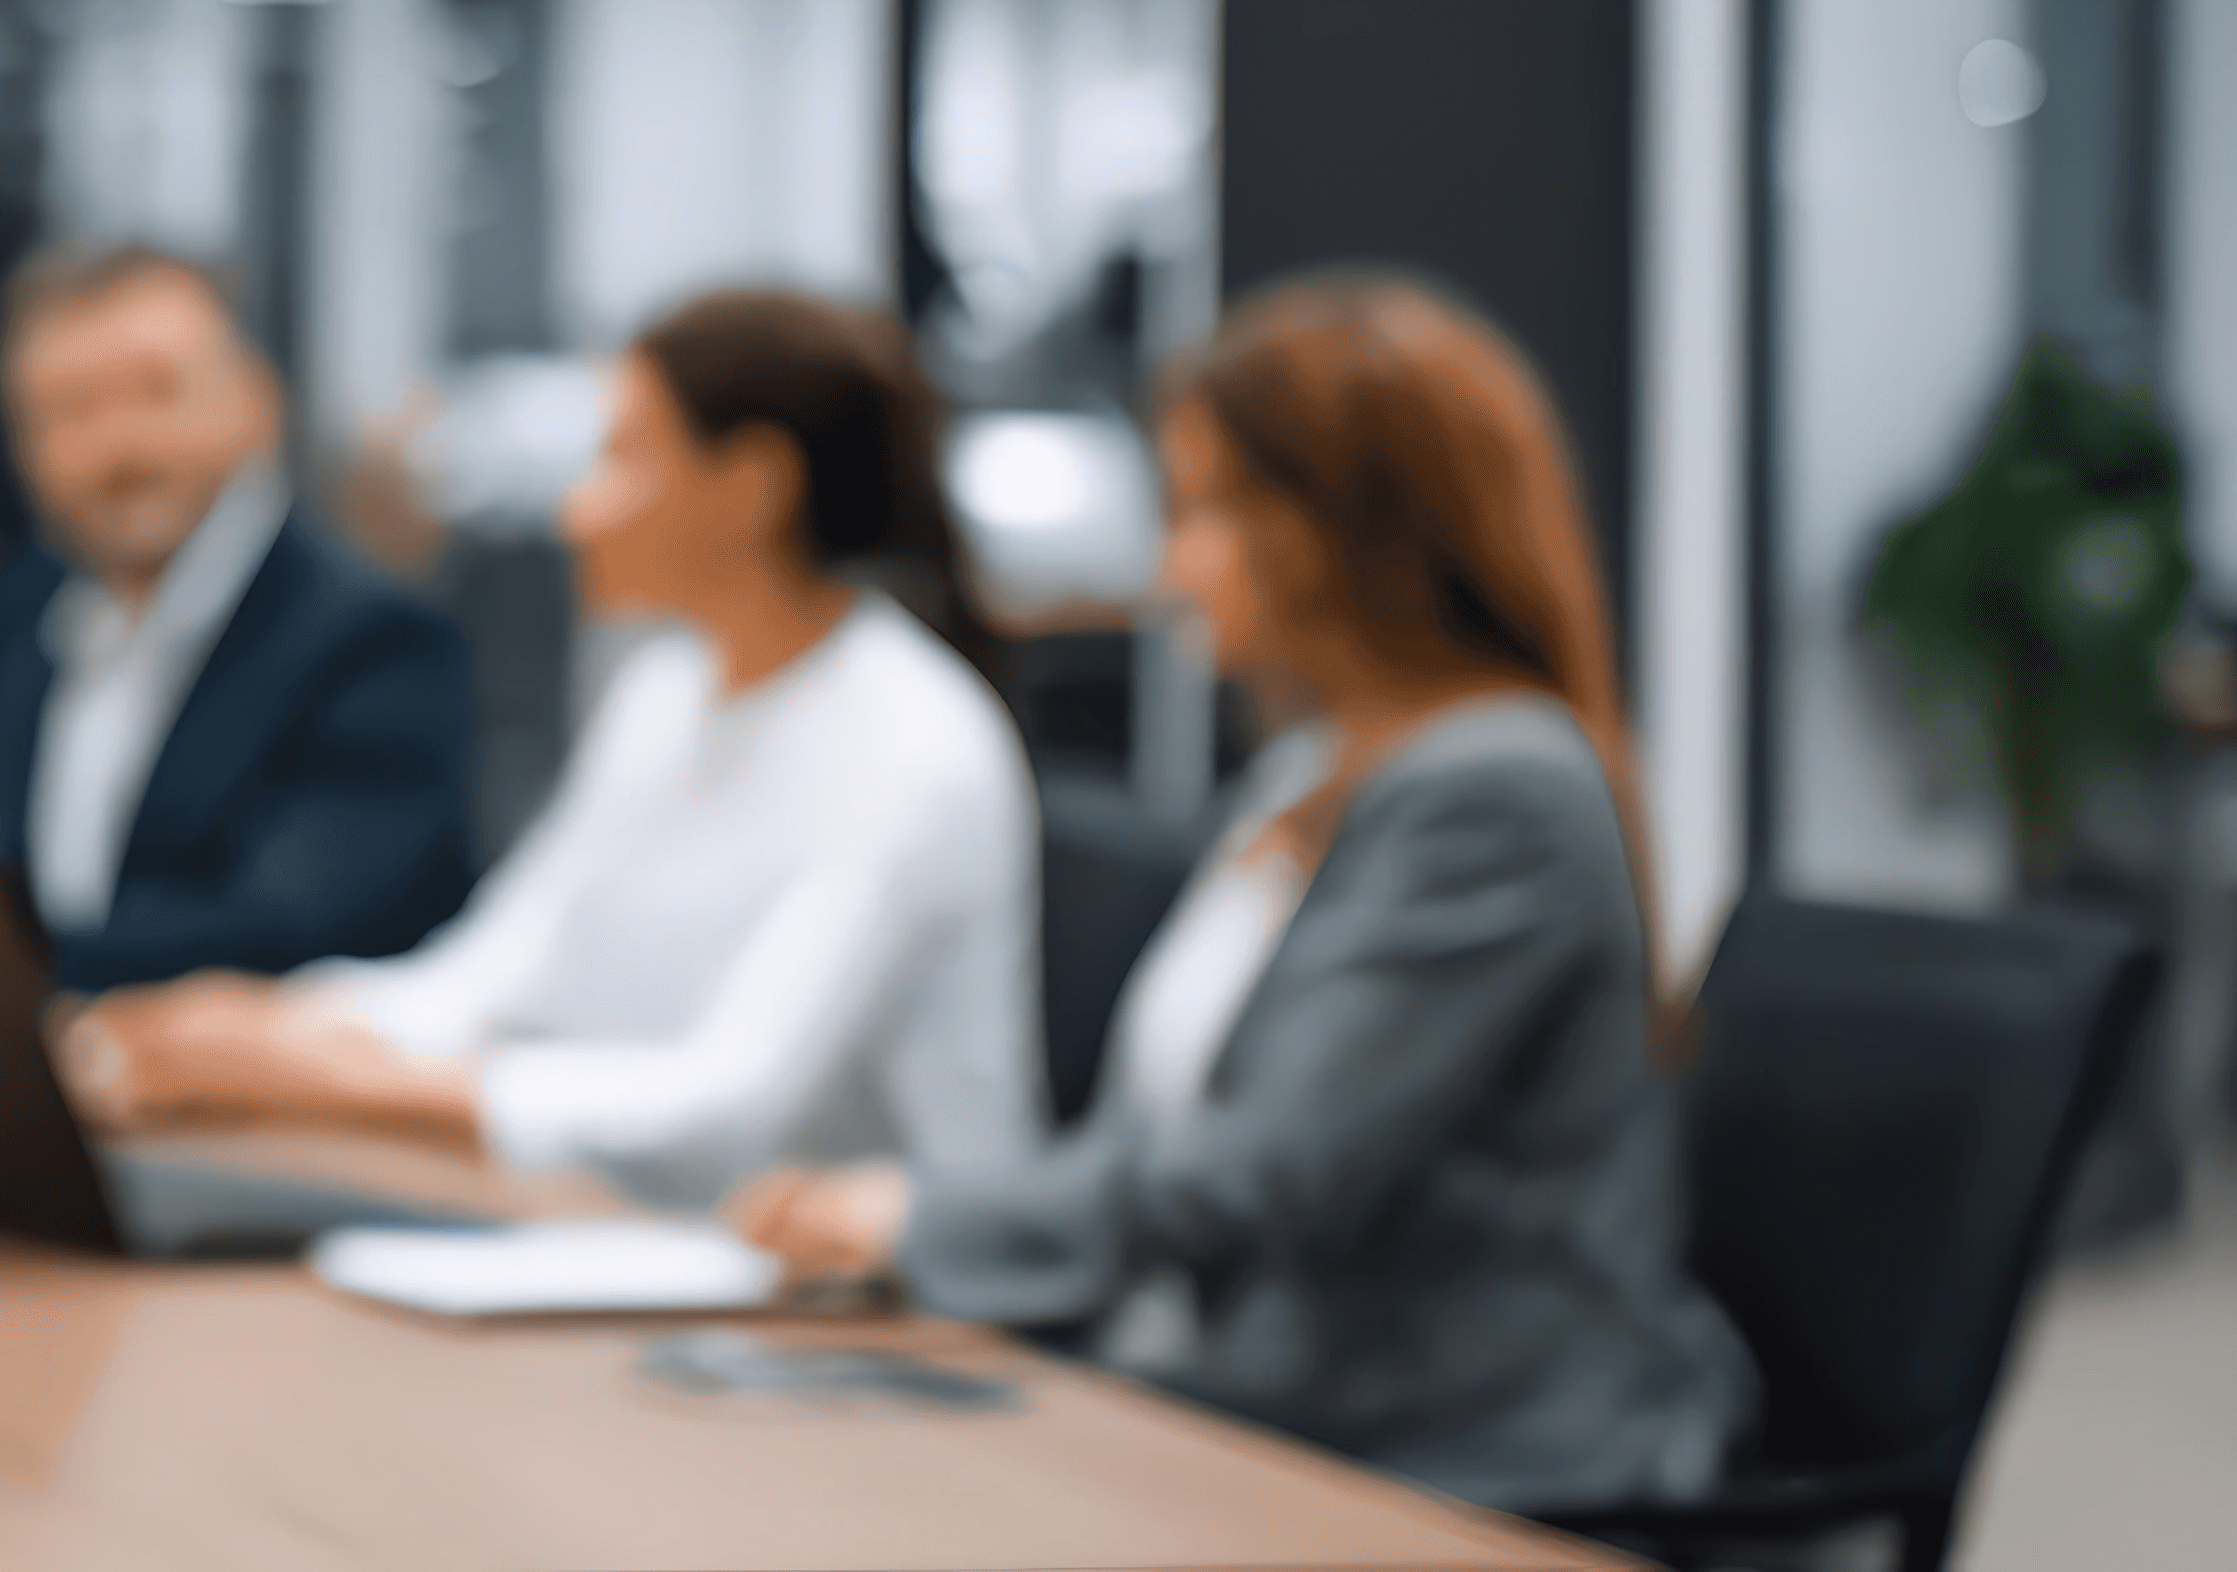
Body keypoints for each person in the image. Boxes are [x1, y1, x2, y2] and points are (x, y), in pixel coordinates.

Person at [720, 274, 1748, 1516]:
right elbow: (1163, 1125)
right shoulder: (1310, 770)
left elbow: (1273, 1168)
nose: (1171, 571)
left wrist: (925, 1218)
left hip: (1441, 1454)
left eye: (1207, 511)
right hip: (1236, 1398)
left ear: (1339, 529)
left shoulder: (1498, 791)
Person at [64, 289, 1039, 1209]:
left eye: (622, 458)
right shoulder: (668, 691)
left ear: (750, 488)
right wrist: (264, 1024)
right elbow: (503, 972)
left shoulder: (912, 744)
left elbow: (726, 1107)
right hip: (616, 1235)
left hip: (873, 1312)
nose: (578, 508)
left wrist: (331, 1082)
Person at [0, 243, 480, 991]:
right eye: (69, 410)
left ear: (257, 403)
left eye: (156, 392)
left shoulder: (379, 648)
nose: (117, 445)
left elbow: (281, 930)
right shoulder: (23, 612)